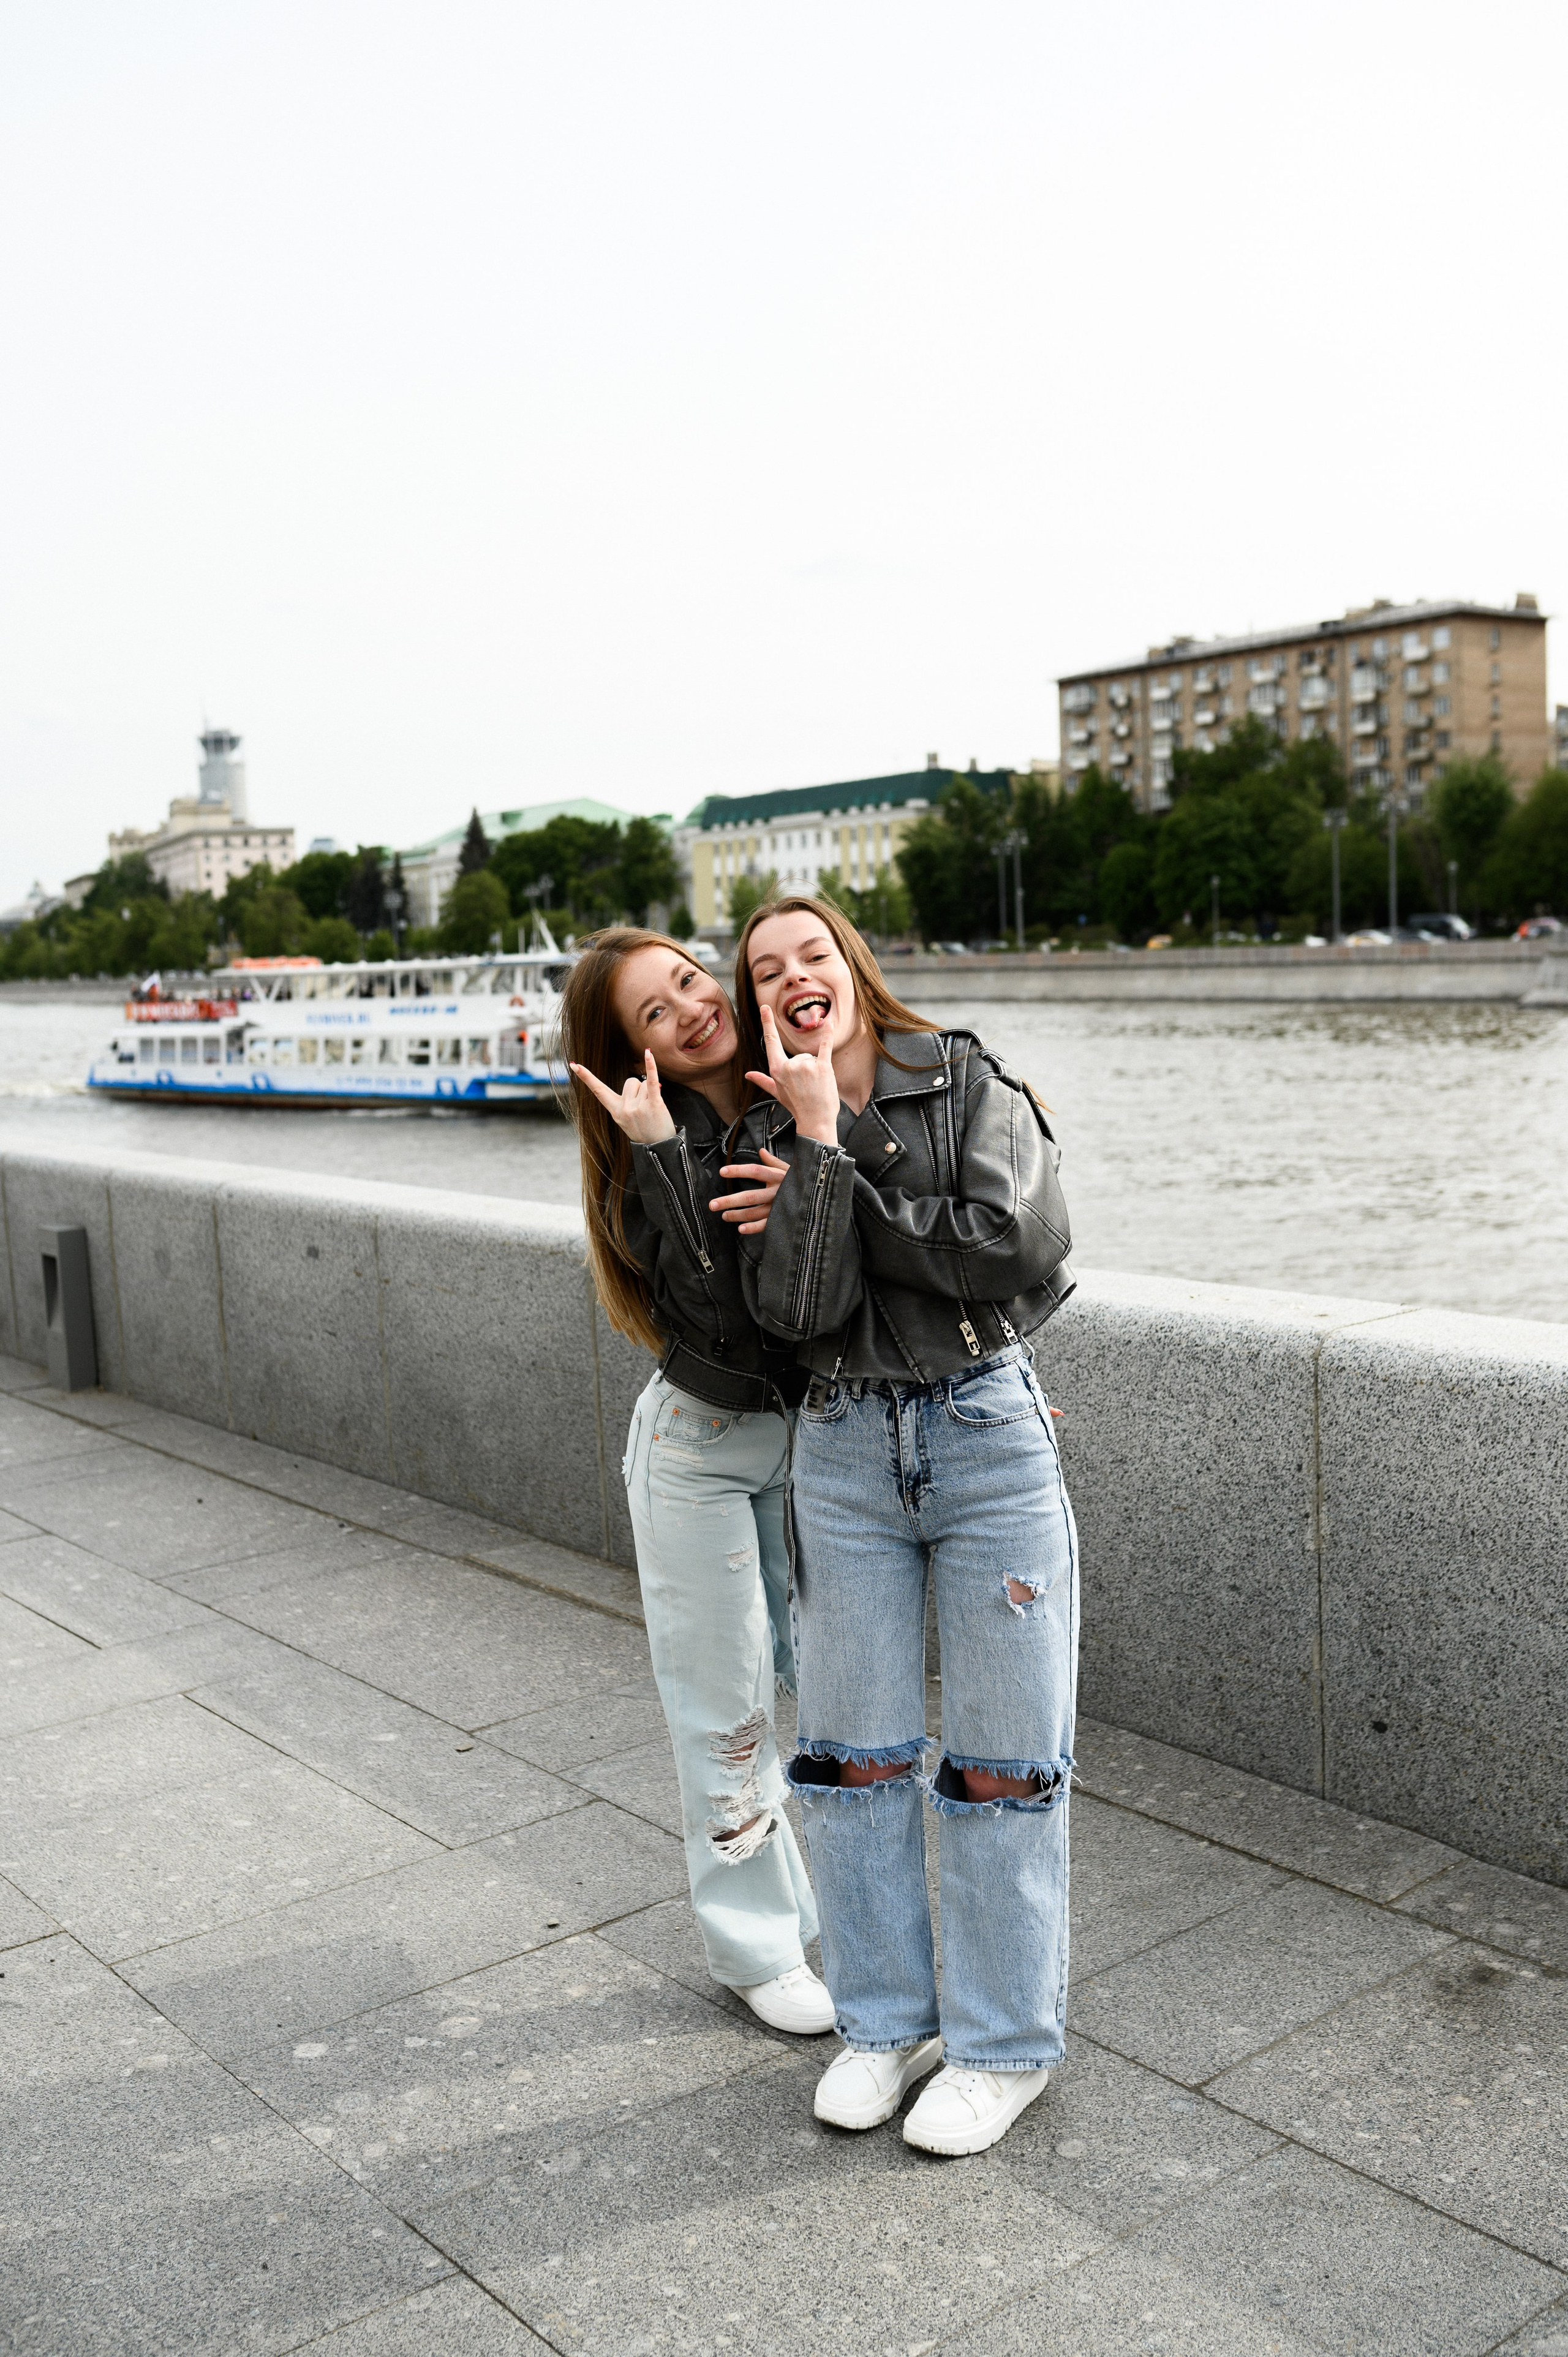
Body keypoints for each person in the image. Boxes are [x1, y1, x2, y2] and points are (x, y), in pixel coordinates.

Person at [722, 895, 1077, 2152]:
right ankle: (883, 2021)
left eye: (809, 953)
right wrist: (811, 1137)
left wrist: (846, 1163)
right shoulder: (761, 1132)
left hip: (982, 1430)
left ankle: (998, 2045)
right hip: (841, 1445)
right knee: (849, 1755)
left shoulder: (959, 1074)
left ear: (853, 968)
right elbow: (800, 1313)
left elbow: (1011, 1241)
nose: (791, 977)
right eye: (764, 969)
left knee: (1000, 1761)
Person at [560, 927, 834, 2035]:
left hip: (808, 1449)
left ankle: (810, 1911)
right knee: (725, 1715)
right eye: (655, 1015)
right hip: (702, 1458)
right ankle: (755, 1948)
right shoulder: (644, 1170)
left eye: (686, 979)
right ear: (636, 1057)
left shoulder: (789, 1093)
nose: (689, 1010)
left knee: (822, 1699)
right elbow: (726, 1317)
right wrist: (665, 1150)